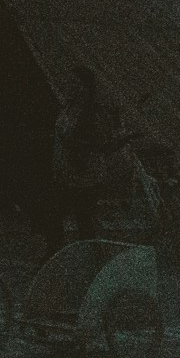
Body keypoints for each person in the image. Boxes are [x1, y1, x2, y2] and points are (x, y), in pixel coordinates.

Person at [50, 65, 118, 250]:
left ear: (84, 87)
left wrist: (77, 144)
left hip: (84, 177)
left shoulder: (92, 114)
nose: (68, 85)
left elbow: (102, 144)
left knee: (84, 220)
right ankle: (57, 253)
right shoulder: (68, 108)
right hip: (65, 174)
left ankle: (90, 257)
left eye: (74, 82)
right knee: (56, 216)